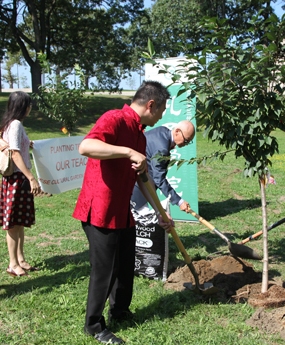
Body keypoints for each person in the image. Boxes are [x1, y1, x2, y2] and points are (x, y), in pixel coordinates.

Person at [73, 81, 174, 344]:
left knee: (126, 264)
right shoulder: (114, 118)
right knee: (105, 270)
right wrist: (127, 151)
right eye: (162, 110)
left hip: (122, 211)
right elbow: (86, 147)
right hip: (101, 211)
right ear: (150, 105)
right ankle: (94, 326)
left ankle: (119, 311)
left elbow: (144, 177)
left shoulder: (139, 134)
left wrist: (160, 211)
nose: (163, 116)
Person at [0, 91, 41, 277]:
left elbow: (17, 147)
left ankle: (21, 259)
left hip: (17, 179)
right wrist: (31, 177)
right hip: (17, 179)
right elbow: (14, 153)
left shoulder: (13, 124)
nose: (30, 108)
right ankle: (13, 263)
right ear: (23, 106)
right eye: (28, 104)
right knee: (14, 224)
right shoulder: (15, 124)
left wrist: (27, 143)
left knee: (19, 222)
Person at [131, 120, 196, 213]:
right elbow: (159, 179)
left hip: (140, 184)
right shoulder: (162, 148)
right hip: (137, 189)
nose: (186, 144)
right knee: (146, 222)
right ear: (177, 132)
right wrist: (179, 201)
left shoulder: (163, 131)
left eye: (189, 142)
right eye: (186, 140)